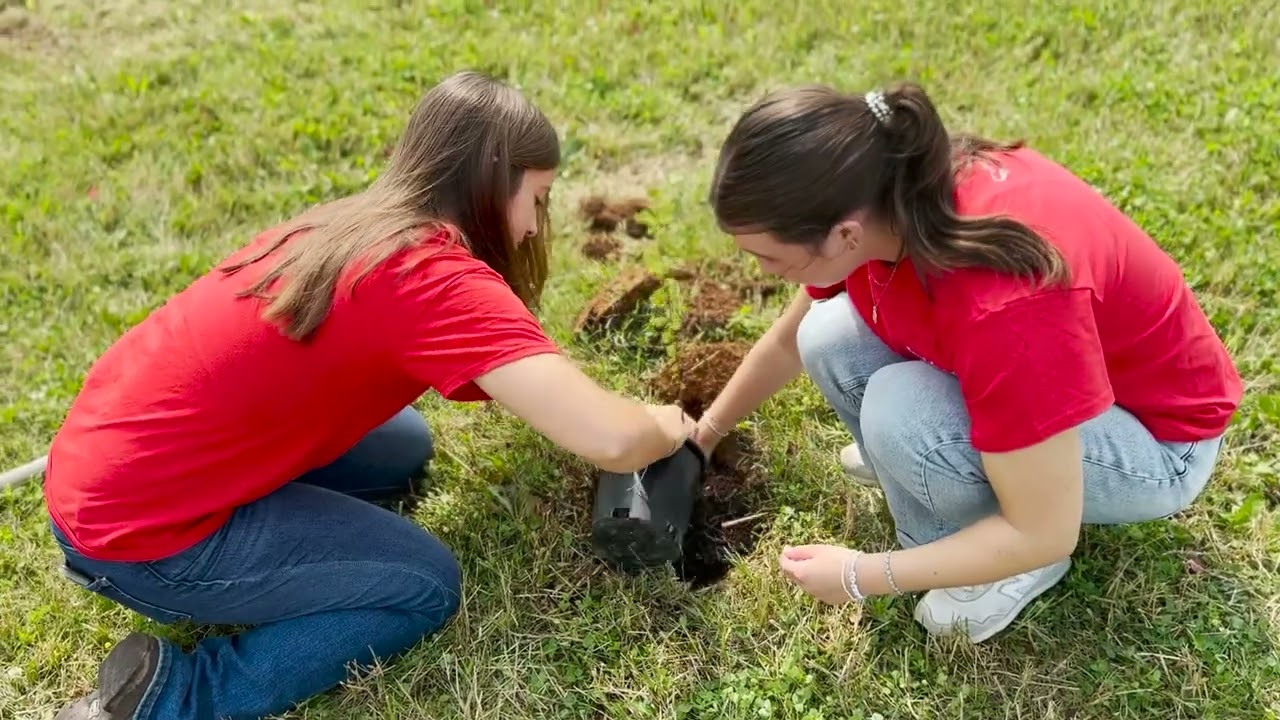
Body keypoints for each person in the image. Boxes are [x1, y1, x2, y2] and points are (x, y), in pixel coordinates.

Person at [46, 70, 695, 720]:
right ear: (494, 186)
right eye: (537, 198)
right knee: (420, 585)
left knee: (403, 447)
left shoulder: (356, 227)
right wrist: (664, 424)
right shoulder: (433, 280)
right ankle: (174, 699)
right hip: (136, 533)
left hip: (109, 460)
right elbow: (610, 440)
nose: (531, 228)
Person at [689, 81, 1242, 643]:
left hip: (1154, 442)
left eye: (766, 256)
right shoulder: (891, 192)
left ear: (843, 234)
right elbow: (788, 343)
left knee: (903, 414)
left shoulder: (1004, 305)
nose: (760, 271)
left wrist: (859, 576)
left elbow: (1045, 531)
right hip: (1057, 387)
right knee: (828, 335)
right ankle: (943, 470)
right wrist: (703, 437)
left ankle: (988, 545)